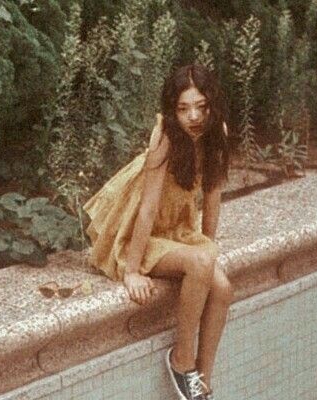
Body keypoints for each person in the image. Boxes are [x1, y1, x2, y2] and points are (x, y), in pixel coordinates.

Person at [83, 64, 234, 400]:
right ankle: (182, 361)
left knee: (222, 288)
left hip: (178, 231)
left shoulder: (217, 133)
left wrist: (209, 248)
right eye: (183, 108)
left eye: (201, 106)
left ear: (212, 104)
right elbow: (147, 208)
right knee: (198, 264)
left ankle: (202, 384)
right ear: (172, 109)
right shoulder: (165, 137)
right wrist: (133, 271)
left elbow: (212, 194)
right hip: (144, 232)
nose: (193, 116)